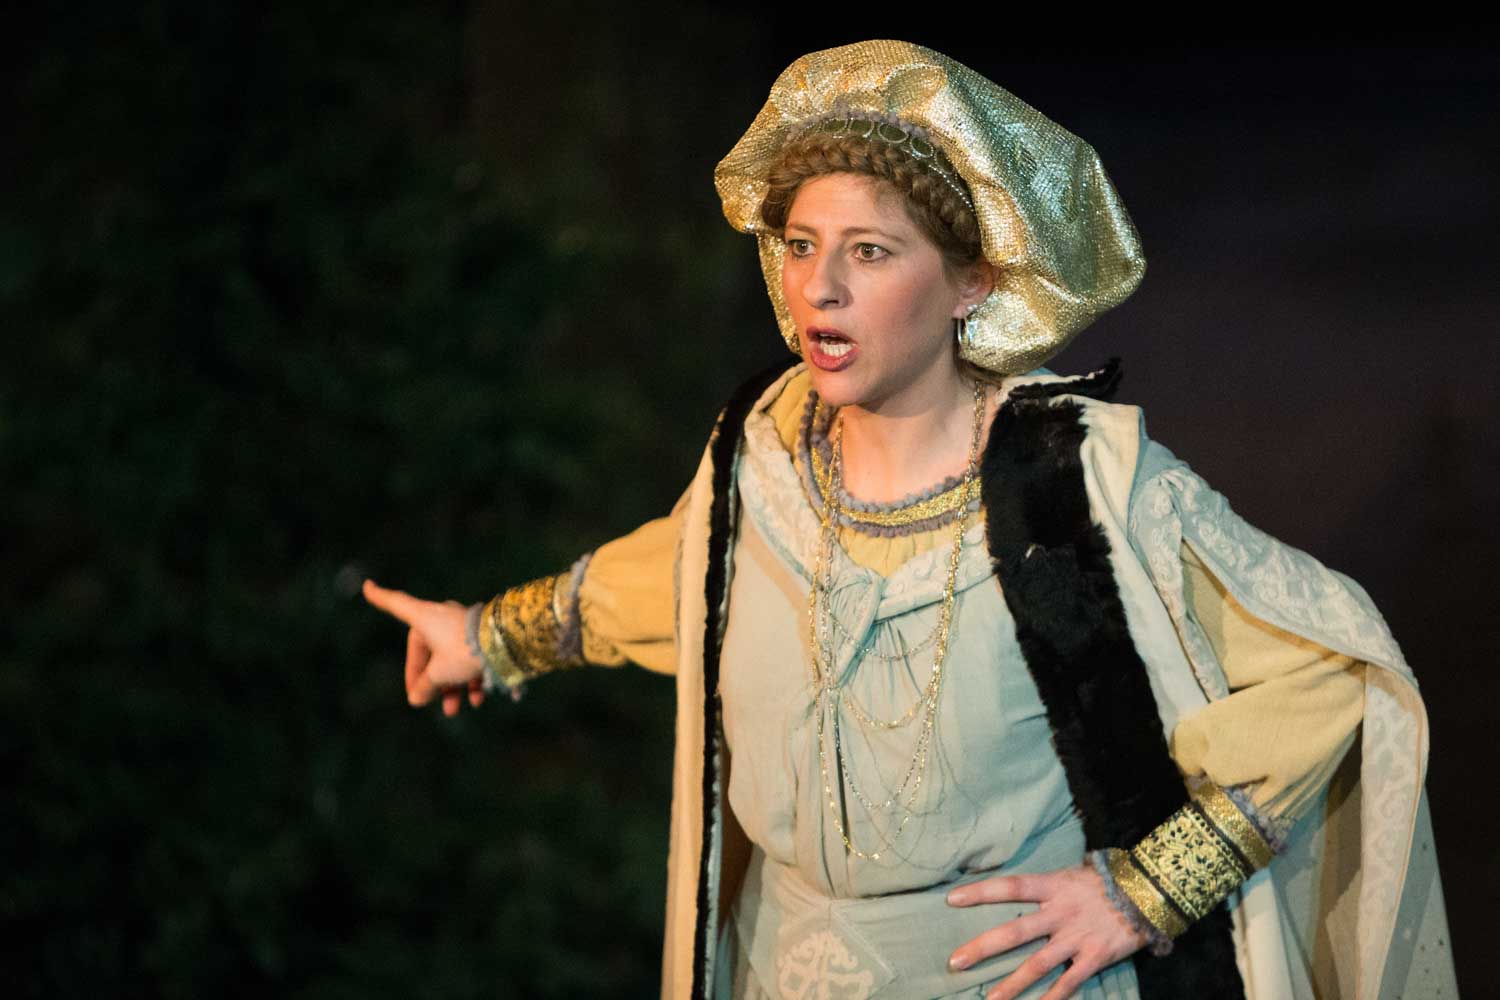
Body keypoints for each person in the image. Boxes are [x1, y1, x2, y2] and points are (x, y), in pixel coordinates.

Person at [362, 40, 1456, 1000]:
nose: (818, 288)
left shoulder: (1076, 479)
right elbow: (686, 573)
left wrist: (1147, 893)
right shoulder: (762, 448)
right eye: (799, 244)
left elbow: (1332, 673)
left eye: (870, 252)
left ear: (972, 283)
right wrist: (488, 635)